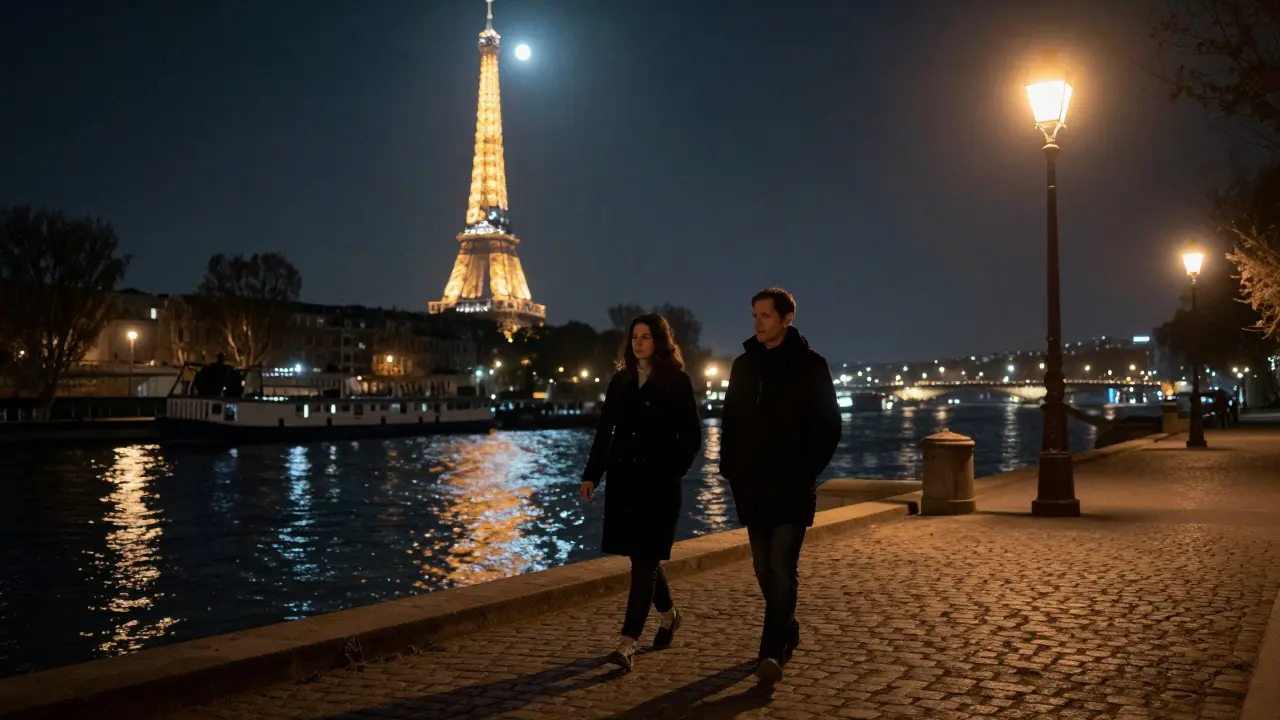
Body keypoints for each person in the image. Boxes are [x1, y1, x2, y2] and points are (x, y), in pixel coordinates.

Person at [719, 287, 841, 685]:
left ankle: (770, 652)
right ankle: (787, 627)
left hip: (791, 486)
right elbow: (730, 421)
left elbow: (829, 426)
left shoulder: (811, 366)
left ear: (786, 319)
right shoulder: (743, 366)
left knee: (781, 565)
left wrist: (807, 470)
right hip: (752, 486)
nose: (757, 323)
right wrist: (730, 468)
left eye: (765, 316)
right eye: (754, 315)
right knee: (762, 568)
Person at [580, 313, 702, 671]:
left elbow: (692, 436)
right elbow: (605, 432)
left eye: (646, 337)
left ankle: (627, 643)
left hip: (660, 486)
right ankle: (669, 615)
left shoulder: (677, 382)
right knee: (642, 561)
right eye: (634, 336)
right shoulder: (620, 381)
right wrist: (592, 476)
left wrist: (672, 470)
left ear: (659, 342)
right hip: (626, 483)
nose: (638, 342)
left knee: (644, 562)